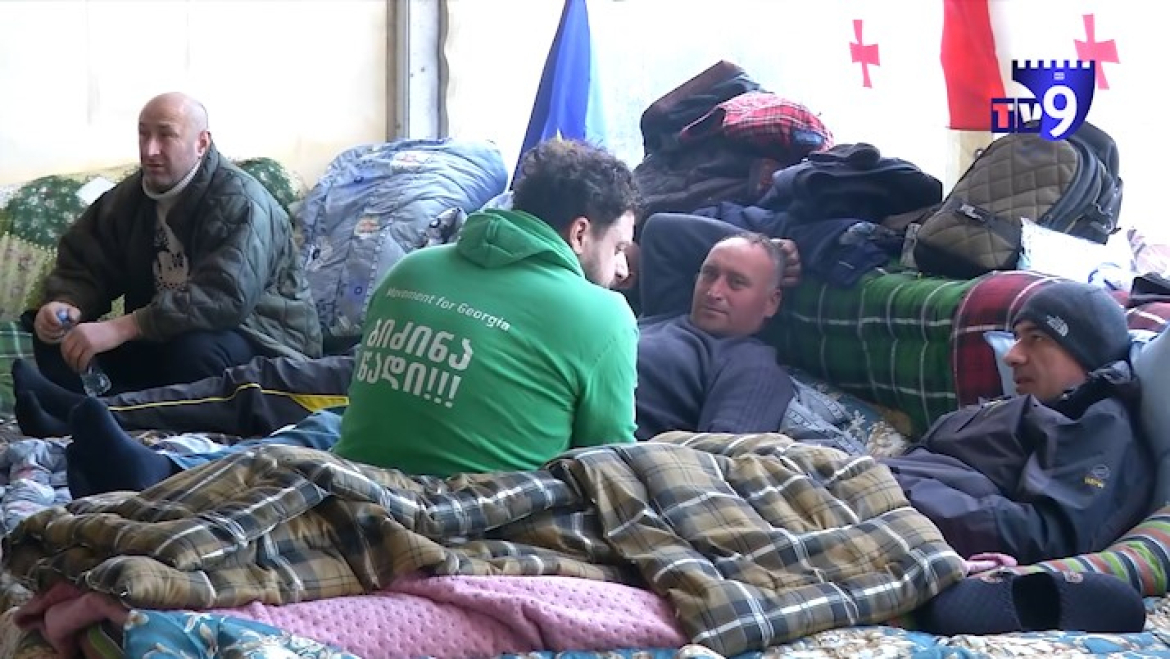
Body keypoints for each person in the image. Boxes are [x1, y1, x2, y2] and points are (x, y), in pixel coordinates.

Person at [50, 137, 642, 495]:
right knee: (295, 416)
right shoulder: (605, 316)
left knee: (303, 428)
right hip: (447, 499)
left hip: (364, 470)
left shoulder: (415, 267)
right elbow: (606, 465)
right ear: (579, 233)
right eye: (619, 248)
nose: (620, 270)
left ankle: (158, 468)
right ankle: (144, 457)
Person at [21, 92, 322, 396]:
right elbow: (87, 260)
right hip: (164, 332)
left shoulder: (241, 201)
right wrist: (67, 303)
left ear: (201, 143)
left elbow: (223, 297)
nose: (150, 150)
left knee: (193, 352)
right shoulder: (131, 197)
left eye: (166, 135)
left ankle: (117, 408)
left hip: (263, 343)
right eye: (143, 135)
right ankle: (110, 407)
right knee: (55, 336)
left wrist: (123, 327)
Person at [881, 281, 1151, 564]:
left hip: (895, 513)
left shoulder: (1100, 424)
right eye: (1017, 338)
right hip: (880, 490)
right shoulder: (1033, 405)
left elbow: (1047, 537)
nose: (1011, 356)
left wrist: (896, 487)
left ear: (1086, 352)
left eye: (1036, 338)